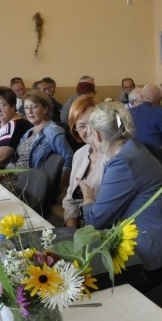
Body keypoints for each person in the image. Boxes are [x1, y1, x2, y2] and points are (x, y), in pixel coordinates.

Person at [80, 102, 162, 290]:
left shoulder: (122, 162)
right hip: (161, 241)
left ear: (98, 135)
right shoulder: (134, 149)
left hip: (151, 254)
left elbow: (96, 219)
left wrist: (88, 199)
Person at [63, 94, 107, 228]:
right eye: (81, 126)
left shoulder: (113, 156)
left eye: (93, 123)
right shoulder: (80, 154)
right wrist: (72, 233)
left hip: (103, 228)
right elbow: (70, 201)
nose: (88, 130)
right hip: (78, 228)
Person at [14, 90, 73, 172]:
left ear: (45, 109)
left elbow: (69, 158)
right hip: (16, 176)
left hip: (33, 181)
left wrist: (63, 183)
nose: (30, 112)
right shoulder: (29, 131)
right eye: (26, 108)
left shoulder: (53, 131)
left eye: (34, 107)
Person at [0, 86, 33, 171]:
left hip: (4, 175)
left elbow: (2, 157)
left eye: (2, 105)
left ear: (12, 106)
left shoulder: (17, 125)